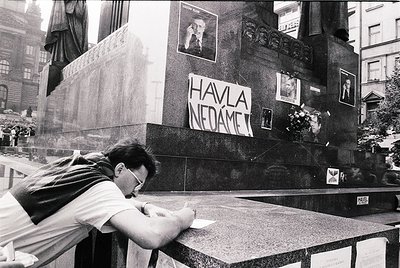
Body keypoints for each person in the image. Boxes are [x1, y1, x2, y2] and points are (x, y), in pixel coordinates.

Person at [0, 138, 195, 268]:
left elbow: (84, 201)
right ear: (119, 169)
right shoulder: (100, 187)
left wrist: (145, 206)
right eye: (137, 183)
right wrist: (182, 219)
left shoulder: (80, 167)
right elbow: (151, 235)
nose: (136, 191)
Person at [44, 0, 88, 64]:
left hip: (74, 16)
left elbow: (80, 12)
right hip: (65, 17)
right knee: (62, 38)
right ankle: (59, 58)